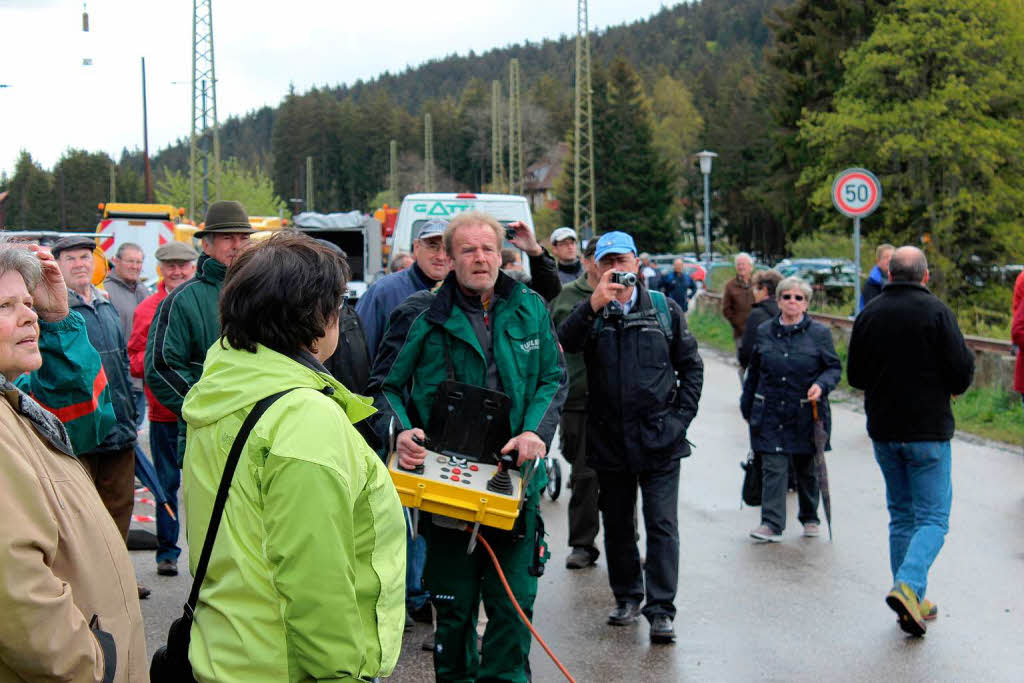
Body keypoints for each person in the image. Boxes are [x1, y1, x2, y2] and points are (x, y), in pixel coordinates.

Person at [181, 232, 405, 681]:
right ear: (319, 318)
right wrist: (341, 675)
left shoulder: (224, 383)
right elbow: (315, 580)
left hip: (227, 648)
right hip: (287, 665)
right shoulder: (303, 417)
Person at [368, 211, 567, 681]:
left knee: (513, 609)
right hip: (444, 491)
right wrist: (400, 430)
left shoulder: (530, 307)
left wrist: (535, 432)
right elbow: (383, 386)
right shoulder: (419, 312)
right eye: (468, 250)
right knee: (454, 616)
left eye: (489, 249)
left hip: (514, 484)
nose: (480, 258)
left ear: (502, 254)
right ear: (450, 258)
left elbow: (552, 379)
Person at [0, 241, 147, 681]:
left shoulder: (12, 398)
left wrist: (59, 322)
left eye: (28, 302)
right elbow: (15, 588)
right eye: (6, 305)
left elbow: (85, 419)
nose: (30, 314)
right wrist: (90, 665)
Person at [558, 231, 703, 645]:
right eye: (606, 262)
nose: (615, 269)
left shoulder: (664, 309)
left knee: (662, 525)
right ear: (596, 267)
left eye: (622, 260)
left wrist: (679, 422)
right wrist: (593, 304)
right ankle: (626, 598)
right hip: (609, 441)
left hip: (660, 441)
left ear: (637, 263)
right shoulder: (593, 311)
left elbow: (691, 369)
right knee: (618, 526)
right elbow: (563, 343)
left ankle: (661, 610)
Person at [847, 246, 974, 636]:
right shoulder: (937, 312)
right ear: (925, 275)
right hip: (928, 431)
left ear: (889, 273)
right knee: (934, 518)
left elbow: (855, 375)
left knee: (902, 515)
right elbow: (960, 372)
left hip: (885, 430)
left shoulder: (869, 314)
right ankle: (907, 586)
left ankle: (913, 599)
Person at [146, 200, 254, 461]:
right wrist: (207, 408)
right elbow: (160, 368)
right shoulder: (181, 300)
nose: (237, 245)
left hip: (260, 431)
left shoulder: (264, 292)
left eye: (243, 238)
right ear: (206, 244)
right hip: (208, 439)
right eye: (228, 238)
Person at [741, 276, 842, 543]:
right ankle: (771, 523)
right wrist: (748, 405)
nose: (792, 302)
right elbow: (754, 371)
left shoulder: (819, 334)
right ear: (778, 300)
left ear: (806, 304)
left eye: (799, 298)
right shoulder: (764, 331)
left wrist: (821, 385)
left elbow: (833, 368)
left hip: (805, 412)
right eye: (787, 297)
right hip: (771, 410)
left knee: (806, 467)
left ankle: (810, 516)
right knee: (773, 466)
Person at [53, 237, 139, 540]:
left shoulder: (105, 304)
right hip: (81, 430)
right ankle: (89, 583)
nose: (79, 264)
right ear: (58, 265)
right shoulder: (54, 311)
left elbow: (122, 362)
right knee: (82, 514)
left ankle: (118, 580)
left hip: (119, 425)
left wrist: (129, 412)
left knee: (120, 507)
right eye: (71, 259)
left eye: (85, 257)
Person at [126, 240, 198, 578]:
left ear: (194, 266)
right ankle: (167, 553)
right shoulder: (148, 309)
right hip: (164, 415)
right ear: (161, 269)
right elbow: (136, 360)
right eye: (171, 265)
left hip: (200, 416)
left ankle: (208, 555)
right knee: (167, 485)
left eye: (183, 265)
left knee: (206, 487)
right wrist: (164, 363)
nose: (177, 271)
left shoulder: (205, 302)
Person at [549, 238, 602, 569]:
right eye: (600, 258)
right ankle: (582, 544)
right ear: (586, 262)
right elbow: (563, 339)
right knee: (583, 474)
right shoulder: (568, 297)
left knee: (624, 478)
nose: (607, 266)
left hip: (619, 402)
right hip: (580, 398)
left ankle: (628, 541)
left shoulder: (632, 293)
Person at [357, 219, 451, 362]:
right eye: (433, 246)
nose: (441, 256)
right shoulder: (383, 292)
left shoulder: (462, 295)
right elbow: (360, 354)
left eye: (447, 249)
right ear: (416, 247)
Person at [104, 242, 151, 430]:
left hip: (140, 378)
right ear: (116, 261)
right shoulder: (105, 291)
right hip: (117, 378)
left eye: (139, 262)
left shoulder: (143, 290)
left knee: (135, 431)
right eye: (130, 261)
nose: (135, 266)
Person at [738, 269, 783, 371]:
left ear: (764, 290)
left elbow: (748, 348)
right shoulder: (786, 312)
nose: (754, 293)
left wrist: (743, 363)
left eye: (756, 289)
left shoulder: (757, 315)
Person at [722, 252, 756, 348]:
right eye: (738, 265)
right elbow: (726, 309)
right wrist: (737, 323)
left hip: (758, 331)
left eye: (743, 264)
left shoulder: (757, 283)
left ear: (751, 267)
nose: (741, 267)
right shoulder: (730, 285)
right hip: (740, 333)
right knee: (743, 360)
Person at [860, 243, 894, 311]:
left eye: (893, 257)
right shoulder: (871, 284)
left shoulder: (900, 281)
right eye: (886, 257)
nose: (890, 260)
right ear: (878, 261)